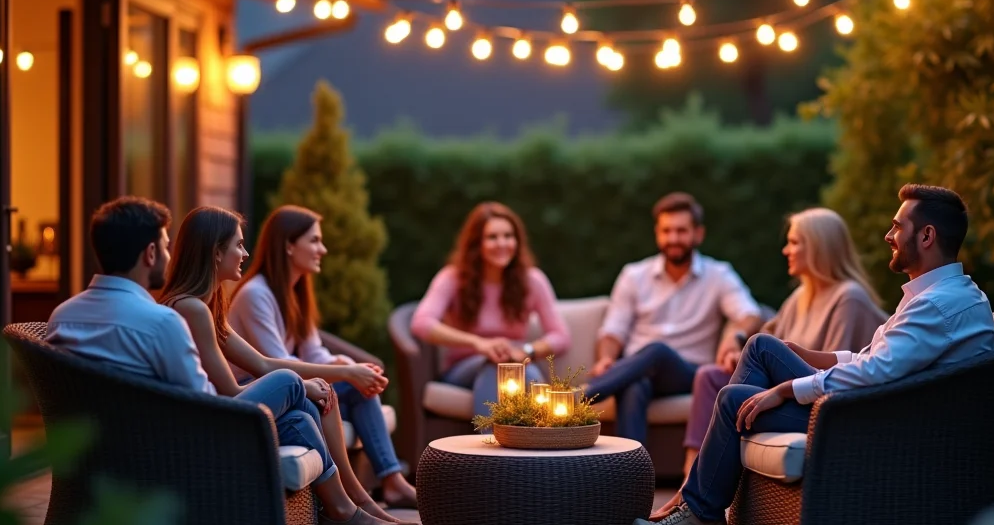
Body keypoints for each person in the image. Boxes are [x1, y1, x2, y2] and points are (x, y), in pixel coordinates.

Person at [633, 185, 994, 525]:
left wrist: (786, 389)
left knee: (734, 400)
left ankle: (700, 512)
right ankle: (697, 504)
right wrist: (803, 355)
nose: (889, 235)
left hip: (876, 421)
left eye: (897, 227)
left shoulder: (935, 305)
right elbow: (870, 360)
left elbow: (875, 373)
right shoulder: (940, 296)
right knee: (763, 347)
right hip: (878, 406)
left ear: (927, 235)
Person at [47, 197, 399, 525]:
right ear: (151, 253)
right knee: (291, 382)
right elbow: (211, 402)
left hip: (108, 445)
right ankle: (346, 508)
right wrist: (303, 384)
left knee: (300, 416)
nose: (169, 257)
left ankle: (344, 510)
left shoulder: (61, 316)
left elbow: (249, 368)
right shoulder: (163, 320)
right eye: (165, 247)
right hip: (186, 440)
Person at [228, 205, 418, 509]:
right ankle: (367, 491)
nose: (323, 249)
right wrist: (347, 373)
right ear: (289, 245)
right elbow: (277, 362)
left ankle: (392, 480)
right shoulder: (256, 294)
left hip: (288, 381)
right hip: (263, 388)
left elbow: (314, 352)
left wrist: (349, 366)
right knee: (352, 382)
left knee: (360, 384)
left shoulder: (295, 291)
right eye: (315, 241)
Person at [681, 208, 886, 474]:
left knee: (734, 395)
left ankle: (696, 484)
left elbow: (831, 375)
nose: (786, 251)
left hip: (815, 396)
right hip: (783, 386)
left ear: (818, 247)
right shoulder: (800, 296)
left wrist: (777, 386)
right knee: (709, 376)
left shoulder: (848, 298)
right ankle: (690, 473)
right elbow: (764, 345)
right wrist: (736, 344)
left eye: (794, 242)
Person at [585, 192, 764, 444]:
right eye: (666, 231)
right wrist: (606, 358)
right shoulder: (634, 275)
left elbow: (750, 314)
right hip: (638, 369)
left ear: (698, 234)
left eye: (681, 231)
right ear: (657, 233)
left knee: (658, 350)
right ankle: (631, 476)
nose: (673, 238)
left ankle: (584, 395)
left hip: (688, 372)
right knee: (634, 386)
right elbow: (614, 330)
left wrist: (735, 337)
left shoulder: (718, 275)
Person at [410, 202, 570, 419]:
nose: (502, 243)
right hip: (463, 369)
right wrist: (479, 344)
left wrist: (527, 351)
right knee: (497, 366)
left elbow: (561, 336)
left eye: (508, 236)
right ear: (477, 244)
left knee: (518, 370)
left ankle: (532, 446)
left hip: (514, 363)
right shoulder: (452, 278)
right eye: (492, 237)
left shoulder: (533, 281)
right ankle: (489, 445)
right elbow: (421, 323)